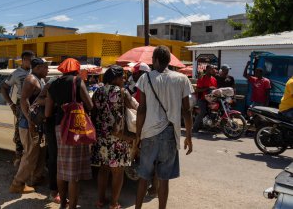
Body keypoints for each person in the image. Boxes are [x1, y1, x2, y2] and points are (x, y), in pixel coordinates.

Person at [135, 46, 193, 209]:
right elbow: (187, 111)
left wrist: (138, 134)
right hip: (170, 133)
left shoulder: (145, 78)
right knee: (163, 179)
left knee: (144, 177)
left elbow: (141, 109)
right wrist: (188, 136)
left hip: (149, 133)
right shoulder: (181, 79)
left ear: (156, 60)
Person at [45, 58, 93, 209]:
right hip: (75, 128)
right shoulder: (77, 81)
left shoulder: (53, 84)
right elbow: (90, 105)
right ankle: (71, 206)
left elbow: (47, 112)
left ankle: (63, 203)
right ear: (76, 69)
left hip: (59, 127)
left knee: (62, 167)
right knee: (73, 173)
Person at [91, 65, 138, 209]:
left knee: (103, 170)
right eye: (122, 77)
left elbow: (93, 114)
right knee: (117, 172)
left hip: (102, 137)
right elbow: (135, 107)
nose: (124, 80)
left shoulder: (98, 91)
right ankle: (114, 203)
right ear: (116, 78)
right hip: (118, 138)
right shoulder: (122, 92)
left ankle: (100, 201)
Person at [9, 58, 49, 194]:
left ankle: (34, 178)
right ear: (37, 67)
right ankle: (17, 183)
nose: (48, 69)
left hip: (35, 123)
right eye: (45, 67)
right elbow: (23, 100)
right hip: (28, 125)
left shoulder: (40, 79)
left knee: (38, 153)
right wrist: (30, 121)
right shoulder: (30, 80)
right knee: (30, 155)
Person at [2, 51, 35, 167]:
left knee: (33, 129)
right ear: (24, 60)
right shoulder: (16, 73)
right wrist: (11, 104)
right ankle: (19, 157)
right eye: (30, 60)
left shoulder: (34, 71)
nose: (31, 62)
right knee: (20, 129)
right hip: (21, 103)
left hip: (35, 102)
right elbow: (3, 88)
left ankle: (32, 155)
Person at [192, 64, 217, 132]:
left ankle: (213, 125)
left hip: (211, 99)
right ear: (207, 69)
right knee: (202, 112)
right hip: (202, 99)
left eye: (213, 69)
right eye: (211, 69)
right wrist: (207, 88)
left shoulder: (214, 79)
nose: (213, 70)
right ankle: (195, 128)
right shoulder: (202, 78)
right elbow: (197, 90)